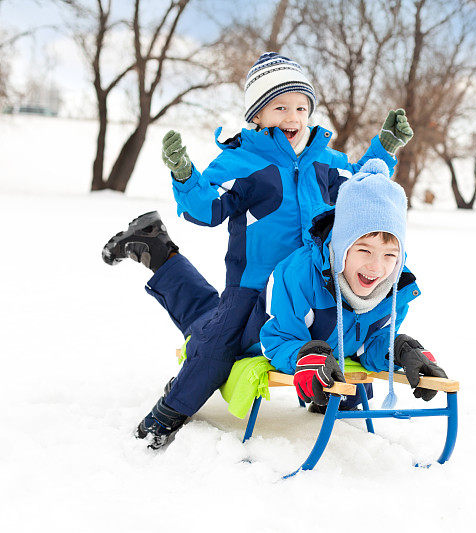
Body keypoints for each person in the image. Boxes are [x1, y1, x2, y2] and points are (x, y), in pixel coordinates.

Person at [101, 52, 413, 449]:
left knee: (332, 336)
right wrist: (185, 176)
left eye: (301, 107)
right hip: (253, 285)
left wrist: (383, 150)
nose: (293, 117)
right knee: (218, 347)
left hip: (314, 284)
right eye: (279, 106)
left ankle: (155, 247)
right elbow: (208, 208)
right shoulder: (242, 160)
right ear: (258, 116)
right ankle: (169, 412)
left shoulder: (327, 161)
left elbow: (360, 190)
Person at [259, 158, 448, 412]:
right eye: (364, 250)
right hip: (275, 338)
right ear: (341, 245)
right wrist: (307, 355)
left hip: (340, 367)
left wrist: (400, 350)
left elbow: (368, 346)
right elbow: (278, 338)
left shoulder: (395, 289)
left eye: (390, 255)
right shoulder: (300, 275)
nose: (376, 267)